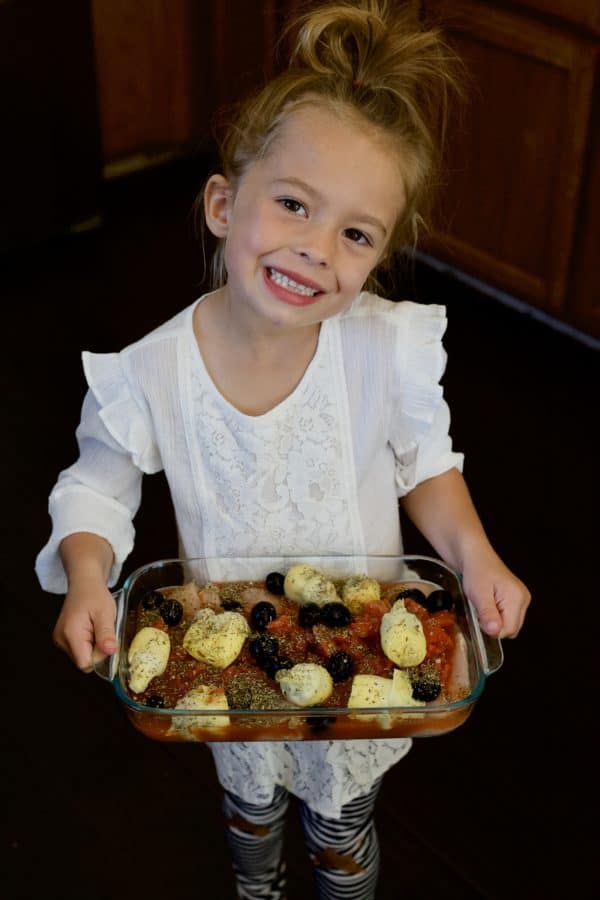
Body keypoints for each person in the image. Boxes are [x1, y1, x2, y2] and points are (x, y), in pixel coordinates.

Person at [35, 1, 531, 897]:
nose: (314, 249)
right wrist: (83, 575)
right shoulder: (151, 372)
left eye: (354, 233)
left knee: (343, 826)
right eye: (294, 204)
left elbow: (427, 464)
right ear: (225, 205)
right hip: (232, 673)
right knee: (250, 815)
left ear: (377, 258)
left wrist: (478, 557)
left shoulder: (382, 347)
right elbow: (95, 490)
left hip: (365, 659)